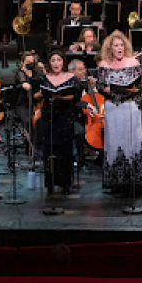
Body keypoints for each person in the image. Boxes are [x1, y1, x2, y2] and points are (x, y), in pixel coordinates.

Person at [98, 31, 142, 193]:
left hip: (130, 106)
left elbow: (141, 85)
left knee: (132, 141)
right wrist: (108, 89)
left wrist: (132, 90)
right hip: (113, 107)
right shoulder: (104, 64)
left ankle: (135, 181)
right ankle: (115, 183)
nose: (119, 48)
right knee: (114, 141)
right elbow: (100, 86)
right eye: (115, 45)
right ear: (110, 48)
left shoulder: (133, 62)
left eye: (121, 45)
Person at [32, 51, 84, 195]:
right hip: (48, 117)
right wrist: (41, 94)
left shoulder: (71, 78)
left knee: (65, 150)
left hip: (65, 116)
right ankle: (50, 183)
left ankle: (65, 183)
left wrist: (60, 97)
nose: (56, 63)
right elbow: (34, 96)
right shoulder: (43, 78)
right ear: (49, 63)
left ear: (63, 62)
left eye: (59, 60)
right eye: (53, 60)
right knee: (49, 150)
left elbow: (75, 97)